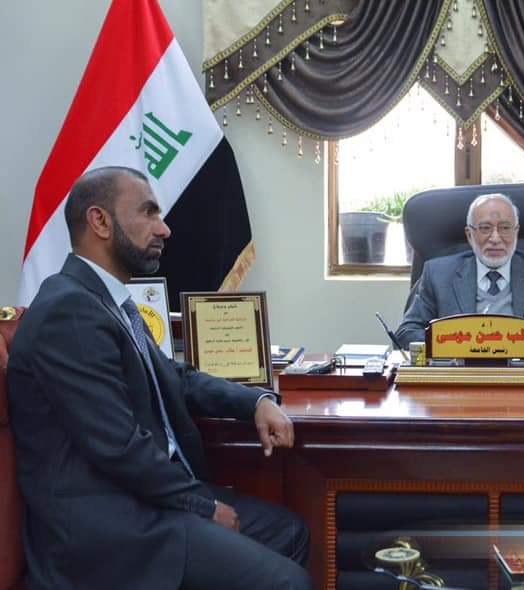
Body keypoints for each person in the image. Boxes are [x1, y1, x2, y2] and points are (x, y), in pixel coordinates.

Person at [7, 167, 312, 590]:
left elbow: (174, 377)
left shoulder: (106, 300)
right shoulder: (68, 312)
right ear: (100, 221)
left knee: (289, 532)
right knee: (289, 582)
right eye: (149, 213)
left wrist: (255, 402)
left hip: (145, 500)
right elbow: (118, 445)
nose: (164, 229)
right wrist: (203, 505)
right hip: (109, 531)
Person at [396, 192, 524, 350]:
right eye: (485, 228)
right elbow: (406, 333)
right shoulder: (438, 274)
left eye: (505, 228)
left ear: (516, 232)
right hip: (460, 380)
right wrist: (456, 347)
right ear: (469, 235)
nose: (495, 238)